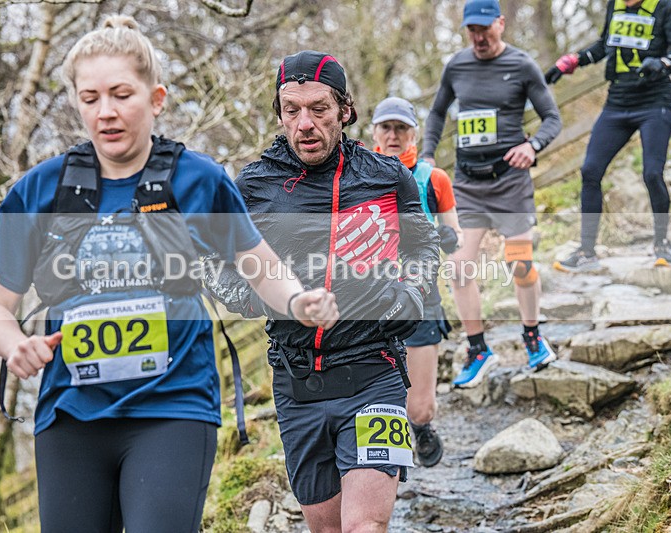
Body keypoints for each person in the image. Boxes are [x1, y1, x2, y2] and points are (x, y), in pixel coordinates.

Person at [0, 17, 338, 533]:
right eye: (90, 97)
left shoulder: (199, 180)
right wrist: (14, 346)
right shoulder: (36, 194)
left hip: (174, 408)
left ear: (157, 98)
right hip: (71, 416)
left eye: (122, 94)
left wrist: (299, 301)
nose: (107, 112)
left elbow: (260, 267)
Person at [206, 51, 440, 532]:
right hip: (297, 384)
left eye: (319, 109)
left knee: (365, 527)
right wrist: (249, 297)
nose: (305, 123)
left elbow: (424, 244)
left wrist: (411, 294)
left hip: (376, 371)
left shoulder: (386, 176)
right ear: (279, 114)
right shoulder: (252, 185)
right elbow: (210, 261)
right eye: (292, 110)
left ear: (345, 111)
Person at [421, 0, 563, 388]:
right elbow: (436, 113)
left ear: (501, 24)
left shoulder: (522, 65)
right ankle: (478, 348)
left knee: (520, 264)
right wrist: (429, 154)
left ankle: (533, 337)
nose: (479, 37)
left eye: (486, 28)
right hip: (468, 185)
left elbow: (553, 117)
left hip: (510, 183)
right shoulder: (456, 65)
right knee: (459, 269)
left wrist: (532, 147)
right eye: (472, 30)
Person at [547, 0, 671, 271]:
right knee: (590, 170)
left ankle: (661, 244)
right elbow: (604, 46)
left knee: (652, 173)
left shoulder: (663, 7)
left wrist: (663, 63)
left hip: (654, 100)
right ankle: (587, 252)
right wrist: (573, 60)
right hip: (618, 101)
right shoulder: (616, 5)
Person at [371, 96, 463, 468]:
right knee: (376, 396)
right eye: (386, 128)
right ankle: (379, 463)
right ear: (374, 131)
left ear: (414, 134)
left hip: (422, 297)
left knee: (420, 407)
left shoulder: (432, 179)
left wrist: (449, 240)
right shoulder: (358, 173)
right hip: (369, 299)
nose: (393, 135)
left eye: (401, 128)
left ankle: (421, 428)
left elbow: (454, 230)